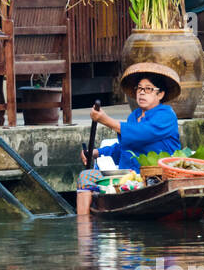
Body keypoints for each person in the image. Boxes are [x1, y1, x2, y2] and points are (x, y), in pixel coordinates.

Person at [76, 63, 183, 215]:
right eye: (139, 88)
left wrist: (105, 120)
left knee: (87, 176)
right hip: (127, 176)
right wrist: (96, 152)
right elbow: (125, 147)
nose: (142, 93)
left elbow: (141, 134)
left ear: (160, 94)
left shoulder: (166, 115)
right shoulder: (134, 116)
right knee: (86, 177)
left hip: (155, 178)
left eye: (148, 89)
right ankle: (84, 226)